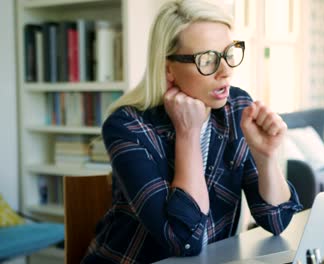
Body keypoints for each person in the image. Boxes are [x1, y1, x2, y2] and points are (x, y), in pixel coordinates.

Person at [82, 0, 302, 263]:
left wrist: (266, 157)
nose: (226, 71)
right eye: (207, 59)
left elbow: (277, 221)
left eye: (228, 53)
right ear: (168, 69)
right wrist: (187, 133)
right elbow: (183, 240)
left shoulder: (237, 109)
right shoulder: (126, 126)